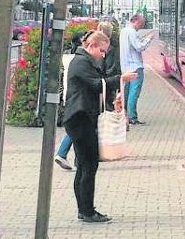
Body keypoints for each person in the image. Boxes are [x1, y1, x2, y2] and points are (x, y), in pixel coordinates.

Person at [62, 30, 137, 223]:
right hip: (80, 118)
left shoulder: (84, 61)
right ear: (92, 46)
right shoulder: (81, 63)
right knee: (89, 164)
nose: (103, 54)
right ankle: (87, 211)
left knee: (84, 165)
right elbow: (96, 84)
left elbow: (98, 84)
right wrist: (122, 79)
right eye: (102, 51)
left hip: (81, 117)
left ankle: (84, 209)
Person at [55, 31, 86, 171]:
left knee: (76, 127)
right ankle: (63, 154)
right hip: (77, 97)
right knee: (77, 128)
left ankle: (71, 157)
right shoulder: (79, 60)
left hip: (68, 96)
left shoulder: (67, 58)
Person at [119, 14, 154, 125]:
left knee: (127, 91)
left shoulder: (123, 31)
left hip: (125, 67)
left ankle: (124, 114)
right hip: (135, 66)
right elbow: (139, 47)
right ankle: (132, 117)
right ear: (136, 21)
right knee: (134, 92)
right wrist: (148, 39)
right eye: (141, 24)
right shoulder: (132, 32)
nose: (142, 26)